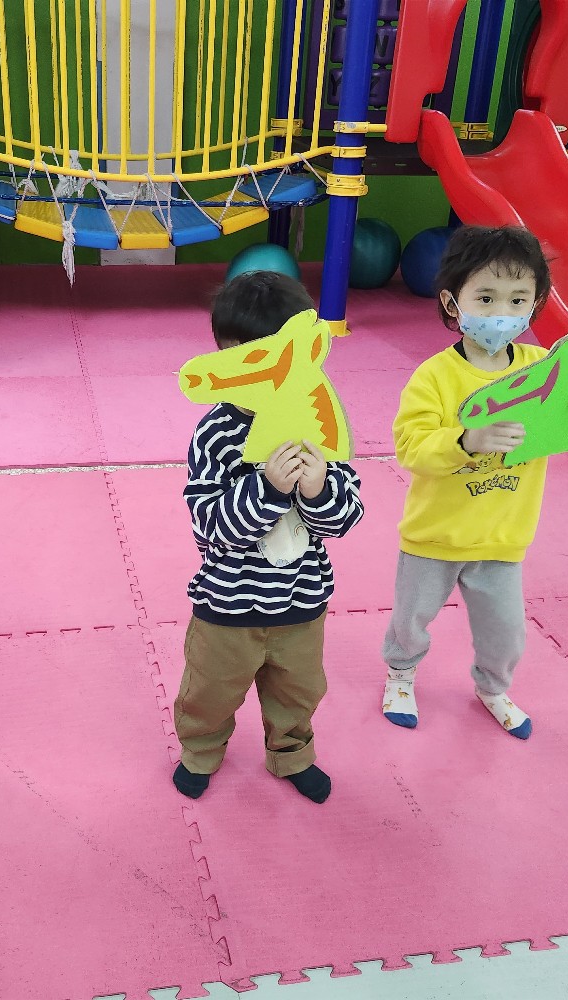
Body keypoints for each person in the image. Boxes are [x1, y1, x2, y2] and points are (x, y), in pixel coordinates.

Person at [381, 225, 568, 738]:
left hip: (503, 538)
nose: (501, 313)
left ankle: (493, 687)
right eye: (486, 298)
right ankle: (400, 674)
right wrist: (466, 441)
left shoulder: (541, 367)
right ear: (453, 303)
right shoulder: (434, 376)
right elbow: (411, 446)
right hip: (434, 535)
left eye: (517, 300)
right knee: (411, 619)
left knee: (506, 632)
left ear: (535, 305)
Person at [172, 271, 365, 804]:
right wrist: (268, 488)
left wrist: (318, 487)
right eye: (238, 359)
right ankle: (200, 750)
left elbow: (345, 519)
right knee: (209, 692)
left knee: (298, 693)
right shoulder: (215, 432)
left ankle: (292, 754)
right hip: (227, 607)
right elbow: (209, 526)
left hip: (302, 604)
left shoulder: (320, 422)